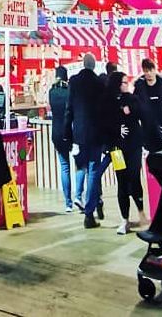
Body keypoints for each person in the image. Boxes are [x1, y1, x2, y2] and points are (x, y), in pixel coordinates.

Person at [101, 70, 145, 234]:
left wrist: (130, 109)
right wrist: (116, 129)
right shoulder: (107, 101)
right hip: (117, 149)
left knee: (134, 177)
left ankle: (141, 212)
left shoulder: (132, 99)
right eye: (124, 82)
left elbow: (140, 112)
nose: (127, 85)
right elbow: (104, 122)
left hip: (134, 146)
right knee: (122, 181)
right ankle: (124, 219)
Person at [68, 51, 104, 228]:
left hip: (79, 134)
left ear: (83, 64)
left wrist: (68, 133)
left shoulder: (74, 82)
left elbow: (69, 109)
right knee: (94, 170)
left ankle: (80, 199)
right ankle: (90, 211)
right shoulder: (99, 83)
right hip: (96, 134)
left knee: (81, 167)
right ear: (94, 65)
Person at [134, 57, 162, 154]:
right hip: (148, 128)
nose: (149, 73)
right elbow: (135, 104)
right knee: (153, 159)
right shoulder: (140, 88)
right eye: (146, 71)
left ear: (155, 70)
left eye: (151, 70)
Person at [47, 65, 74, 212]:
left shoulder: (51, 92)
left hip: (56, 132)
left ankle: (68, 203)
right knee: (79, 166)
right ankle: (78, 198)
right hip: (71, 131)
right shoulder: (70, 92)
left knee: (64, 167)